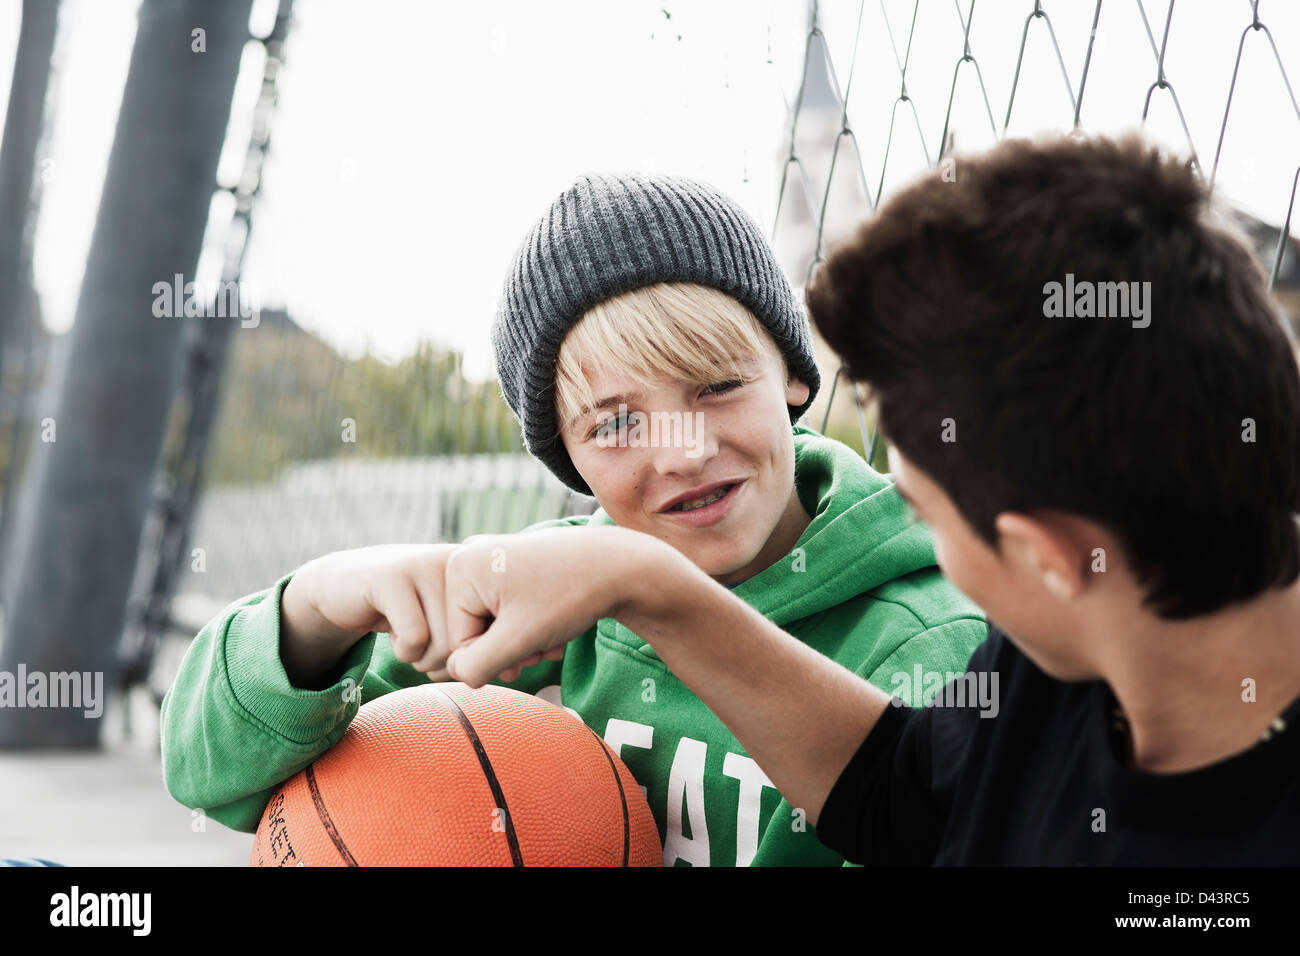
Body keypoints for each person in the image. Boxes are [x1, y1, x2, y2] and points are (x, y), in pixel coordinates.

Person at [434, 134, 1300, 864]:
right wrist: (643, 584)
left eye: (921, 509)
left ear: (1050, 558)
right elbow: (901, 790)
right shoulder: (1075, 658)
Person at [160, 172, 986, 866]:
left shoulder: (920, 642)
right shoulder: (537, 609)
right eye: (615, 422)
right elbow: (213, 776)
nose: (684, 452)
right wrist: (320, 604)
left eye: (717, 385)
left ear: (793, 378)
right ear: (567, 455)